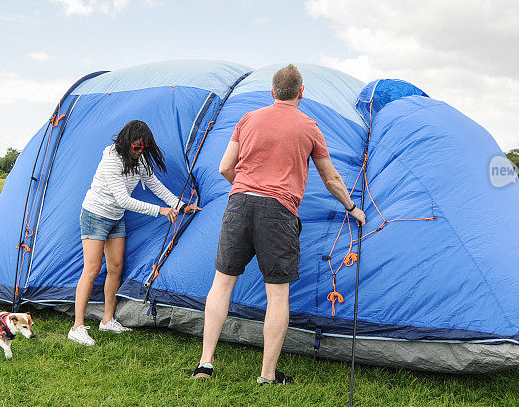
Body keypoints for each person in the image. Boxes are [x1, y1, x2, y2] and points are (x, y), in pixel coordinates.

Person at [192, 64, 366, 384]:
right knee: (277, 295)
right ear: (301, 92)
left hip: (239, 204)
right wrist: (352, 207)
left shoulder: (247, 119)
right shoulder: (309, 126)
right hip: (279, 211)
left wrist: (243, 187)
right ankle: (267, 376)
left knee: (222, 284)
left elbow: (225, 168)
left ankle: (205, 364)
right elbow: (331, 177)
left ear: (272, 93)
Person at [68, 119, 200, 346]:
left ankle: (107, 320)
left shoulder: (139, 161)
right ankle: (77, 326)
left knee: (116, 268)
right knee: (92, 269)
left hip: (116, 218)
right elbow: (123, 199)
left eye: (144, 147)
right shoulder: (111, 158)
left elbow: (156, 185)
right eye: (136, 147)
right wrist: (160, 210)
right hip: (95, 215)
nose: (140, 151)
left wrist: (180, 205)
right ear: (125, 142)